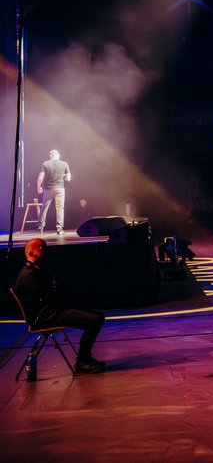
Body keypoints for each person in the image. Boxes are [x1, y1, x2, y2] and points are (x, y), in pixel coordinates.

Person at [14, 238, 106, 374]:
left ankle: (84, 358)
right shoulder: (29, 275)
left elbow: (53, 290)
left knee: (98, 315)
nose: (46, 253)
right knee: (94, 320)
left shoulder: (36, 270)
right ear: (32, 253)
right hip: (47, 317)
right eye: (42, 250)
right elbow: (50, 295)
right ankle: (83, 361)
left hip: (52, 311)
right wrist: (58, 293)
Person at [37, 149, 71, 235]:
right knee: (60, 209)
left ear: (50, 155)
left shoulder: (45, 164)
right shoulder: (64, 164)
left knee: (44, 207)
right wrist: (62, 176)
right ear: (58, 155)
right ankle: (59, 229)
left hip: (48, 189)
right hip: (60, 189)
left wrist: (38, 187)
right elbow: (68, 179)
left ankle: (40, 227)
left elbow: (40, 178)